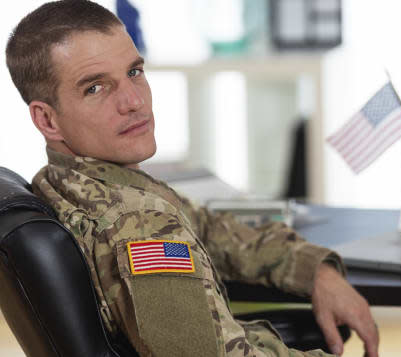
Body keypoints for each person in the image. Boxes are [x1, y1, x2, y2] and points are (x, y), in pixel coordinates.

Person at [5, 1, 379, 356]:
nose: (134, 101)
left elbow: (214, 230)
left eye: (134, 72)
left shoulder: (69, 182)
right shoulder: (139, 223)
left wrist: (316, 270)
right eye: (96, 88)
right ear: (47, 120)